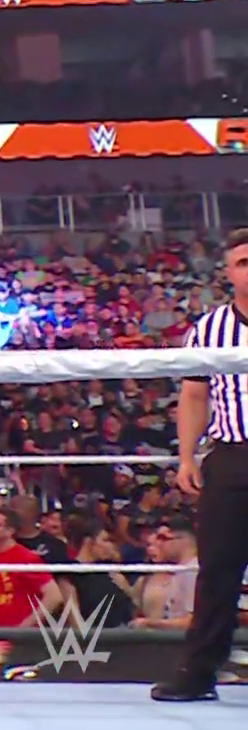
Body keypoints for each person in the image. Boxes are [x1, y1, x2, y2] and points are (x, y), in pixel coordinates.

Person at [154, 241, 248, 703]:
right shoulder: (209, 328)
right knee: (218, 570)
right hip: (232, 455)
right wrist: (187, 457)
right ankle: (199, 672)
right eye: (244, 262)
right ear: (228, 272)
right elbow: (194, 396)